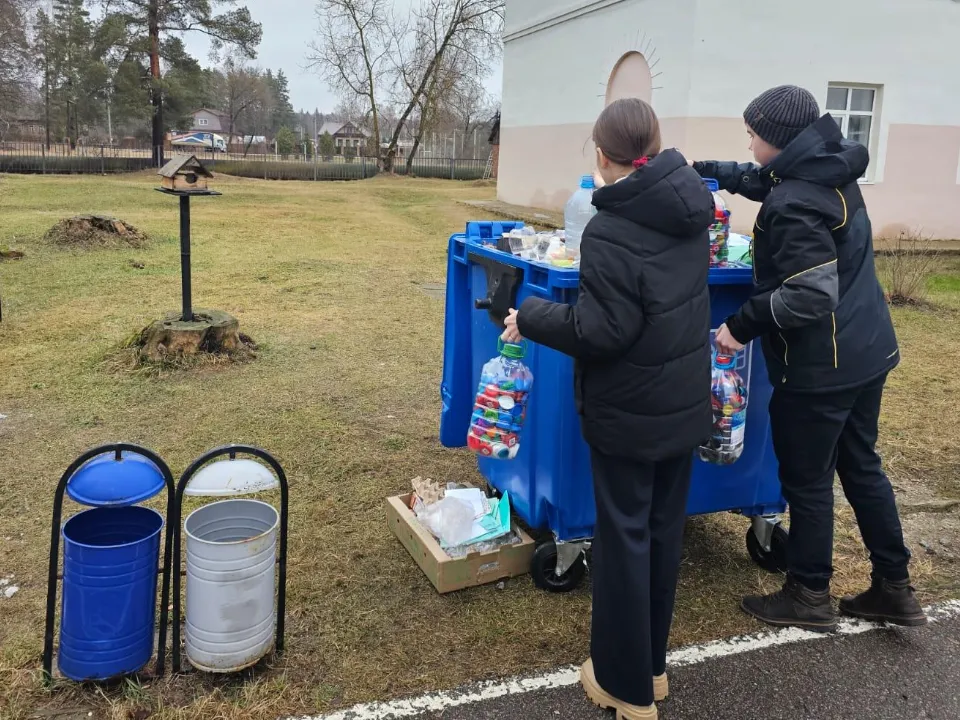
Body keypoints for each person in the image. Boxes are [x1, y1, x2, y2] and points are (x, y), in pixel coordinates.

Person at [501, 97, 714, 720]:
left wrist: (531, 315)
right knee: (660, 535)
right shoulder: (690, 211)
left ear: (601, 155)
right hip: (679, 405)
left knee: (623, 542)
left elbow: (603, 331)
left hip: (630, 411)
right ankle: (651, 665)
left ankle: (624, 686)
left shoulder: (612, 230)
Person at [689, 85, 926, 631]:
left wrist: (739, 327)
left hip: (823, 366)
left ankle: (808, 594)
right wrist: (706, 170)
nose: (747, 142)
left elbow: (809, 294)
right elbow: (762, 178)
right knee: (862, 466)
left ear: (776, 138)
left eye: (751, 134)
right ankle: (895, 587)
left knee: (809, 480)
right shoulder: (828, 167)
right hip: (868, 351)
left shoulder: (794, 200)